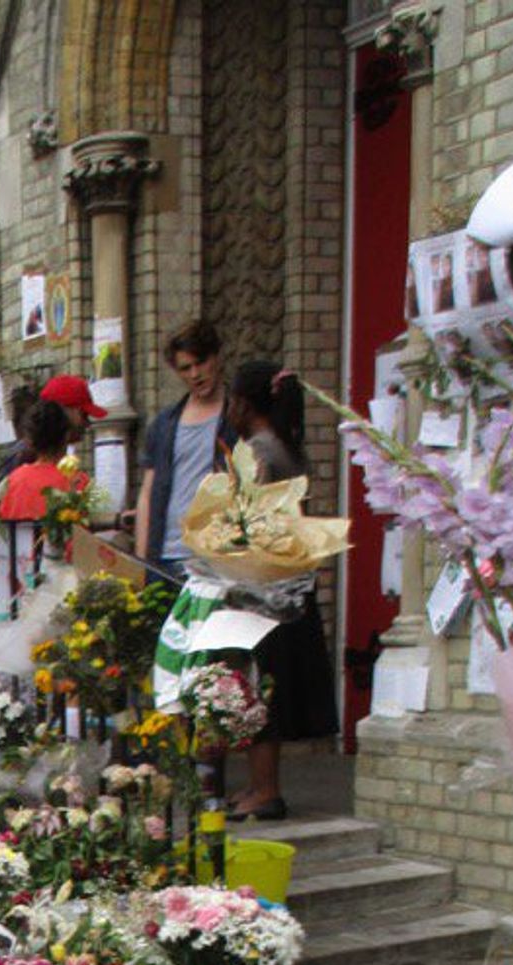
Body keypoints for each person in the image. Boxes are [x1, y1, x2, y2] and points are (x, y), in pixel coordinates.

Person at [224, 360, 339, 821]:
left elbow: (247, 524)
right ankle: (258, 785)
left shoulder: (257, 454)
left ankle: (265, 789)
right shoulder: (288, 447)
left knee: (259, 688)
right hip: (291, 584)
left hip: (265, 589)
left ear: (244, 403)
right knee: (266, 686)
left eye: (231, 401)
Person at [134, 317, 237, 578]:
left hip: (217, 558)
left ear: (216, 357)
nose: (195, 374)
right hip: (165, 556)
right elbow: (148, 493)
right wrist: (141, 561)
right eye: (185, 368)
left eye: (200, 363)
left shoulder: (238, 416)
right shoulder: (164, 424)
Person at [0, 399, 82, 521]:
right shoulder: (77, 481)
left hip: (21, 541)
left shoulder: (13, 481)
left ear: (29, 440)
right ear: (67, 435)